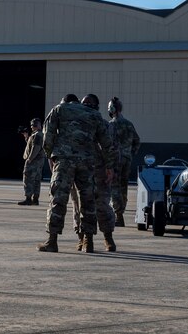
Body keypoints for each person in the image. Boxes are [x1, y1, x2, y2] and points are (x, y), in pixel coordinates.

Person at [36, 94, 113, 253]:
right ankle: (88, 242)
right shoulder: (94, 114)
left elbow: (48, 134)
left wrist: (50, 156)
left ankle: (52, 241)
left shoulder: (59, 109)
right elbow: (107, 142)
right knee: (88, 200)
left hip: (64, 160)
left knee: (58, 198)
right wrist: (110, 166)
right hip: (87, 162)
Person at [71, 94, 118, 252]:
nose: (87, 106)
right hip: (79, 171)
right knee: (79, 206)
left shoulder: (105, 125)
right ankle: (84, 238)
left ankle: (108, 237)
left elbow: (110, 148)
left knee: (102, 205)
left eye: (90, 104)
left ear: (97, 107)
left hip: (99, 172)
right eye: (84, 103)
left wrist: (110, 169)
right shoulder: (74, 125)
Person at [107, 97, 141, 227]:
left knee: (114, 186)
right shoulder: (129, 124)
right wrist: (130, 154)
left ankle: (118, 215)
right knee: (123, 186)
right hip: (127, 160)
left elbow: (107, 143)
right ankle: (121, 212)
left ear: (112, 109)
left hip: (115, 159)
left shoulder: (111, 125)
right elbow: (137, 141)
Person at [18, 118, 44, 205]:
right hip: (39, 160)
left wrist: (30, 159)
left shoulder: (37, 135)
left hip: (34, 160)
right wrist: (27, 137)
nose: (32, 127)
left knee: (28, 178)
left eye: (33, 125)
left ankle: (28, 198)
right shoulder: (39, 134)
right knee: (36, 180)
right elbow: (32, 146)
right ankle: (35, 199)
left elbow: (35, 148)